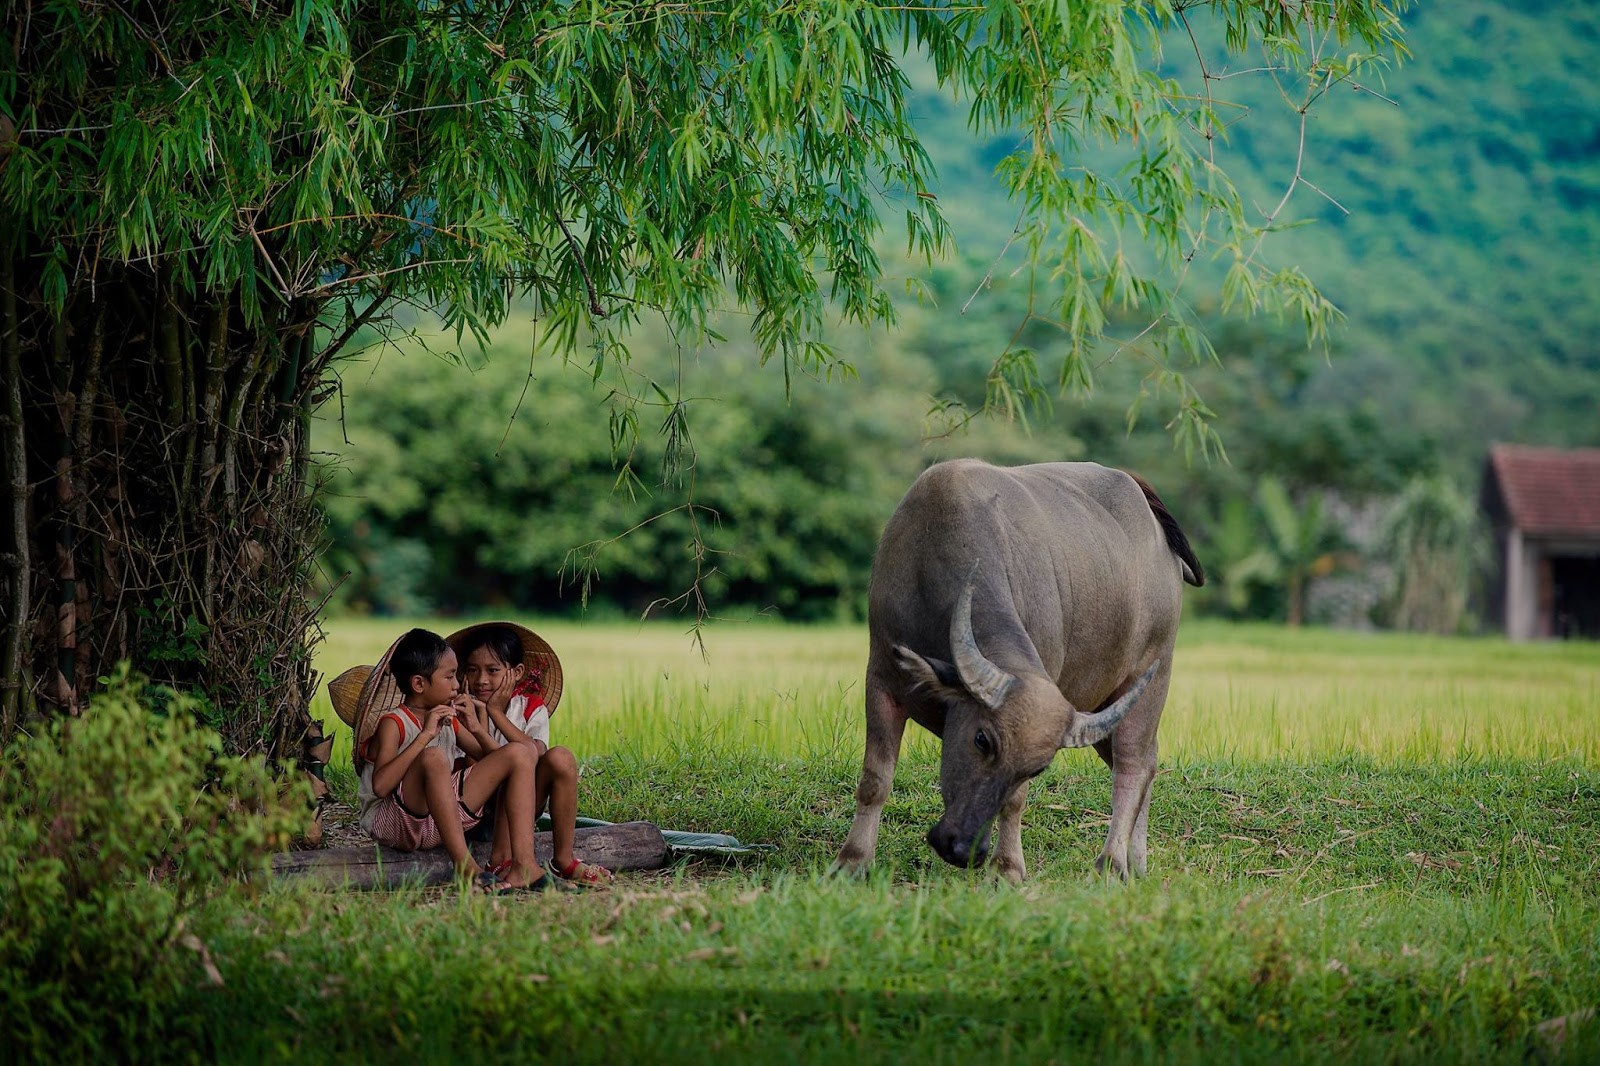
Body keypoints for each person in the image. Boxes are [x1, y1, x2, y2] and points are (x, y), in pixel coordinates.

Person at [354, 627, 554, 892]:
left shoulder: (449, 719)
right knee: (434, 758)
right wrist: (425, 736)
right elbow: (380, 786)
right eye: (449, 676)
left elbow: (499, 763)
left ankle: (523, 865)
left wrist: (476, 726)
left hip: (440, 822)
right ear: (419, 684)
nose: (458, 685)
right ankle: (466, 867)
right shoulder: (394, 723)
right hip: (395, 823)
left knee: (519, 753)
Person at [449, 622, 614, 886]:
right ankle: (501, 858)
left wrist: (496, 714)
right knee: (510, 768)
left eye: (492, 670)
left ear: (516, 672)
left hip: (521, 809)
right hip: (473, 814)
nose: (481, 680)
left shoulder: (529, 708)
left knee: (561, 757)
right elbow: (474, 766)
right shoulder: (458, 710)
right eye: (472, 670)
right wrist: (477, 723)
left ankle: (563, 859)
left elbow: (533, 753)